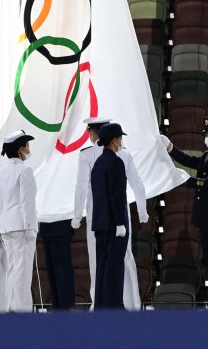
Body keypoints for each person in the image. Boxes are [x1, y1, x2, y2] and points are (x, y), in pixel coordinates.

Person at [71, 117, 148, 310]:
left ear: (93, 133)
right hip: (118, 216)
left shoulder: (90, 157)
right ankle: (128, 303)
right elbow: (135, 185)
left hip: (96, 215)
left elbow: (81, 188)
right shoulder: (118, 156)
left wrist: (77, 215)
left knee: (100, 261)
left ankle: (101, 302)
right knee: (123, 259)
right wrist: (142, 210)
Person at [163, 116, 208, 307]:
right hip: (206, 219)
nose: (207, 138)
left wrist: (187, 180)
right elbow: (191, 160)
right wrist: (171, 149)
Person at [0, 130, 38, 312]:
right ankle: (23, 313)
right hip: (22, 227)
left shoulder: (2, 172)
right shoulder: (25, 170)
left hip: (6, 226)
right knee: (22, 272)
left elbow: (3, 202)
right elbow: (27, 202)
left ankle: (12, 308)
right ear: (21, 150)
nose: (29, 149)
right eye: (27, 146)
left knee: (13, 271)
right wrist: (30, 228)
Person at [90, 122, 129, 309]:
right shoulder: (115, 162)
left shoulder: (98, 163)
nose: (121, 142)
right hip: (114, 225)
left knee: (102, 267)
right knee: (114, 267)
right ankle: (113, 306)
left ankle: (101, 305)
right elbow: (117, 195)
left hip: (100, 223)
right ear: (114, 141)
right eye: (120, 139)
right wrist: (120, 222)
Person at [38, 219, 75, 310]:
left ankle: (64, 307)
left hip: (61, 223)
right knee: (52, 271)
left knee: (62, 269)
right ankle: (58, 307)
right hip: (47, 224)